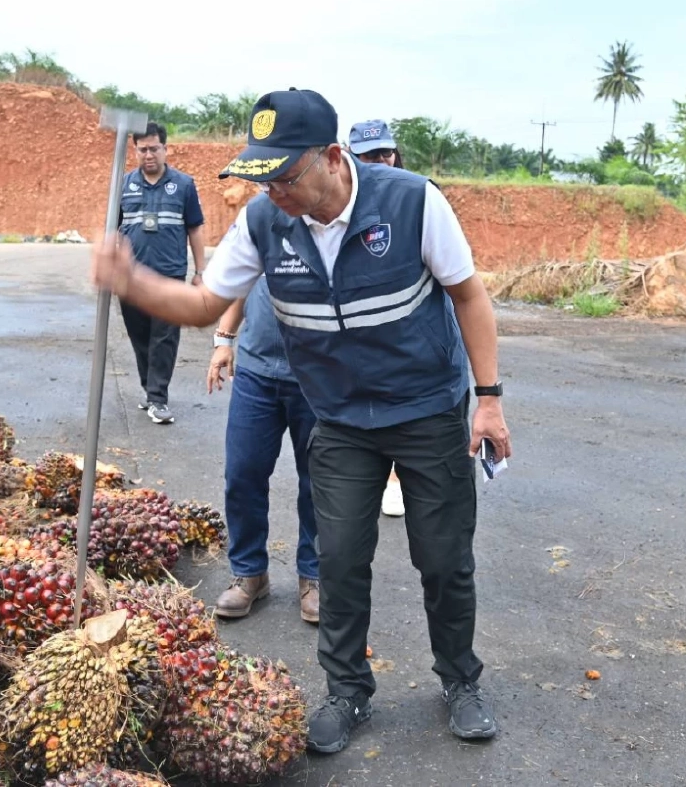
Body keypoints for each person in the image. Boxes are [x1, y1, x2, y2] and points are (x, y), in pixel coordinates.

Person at [91, 88, 512, 755]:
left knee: (443, 558)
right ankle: (347, 691)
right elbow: (204, 304)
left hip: (426, 409)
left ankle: (460, 681)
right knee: (339, 559)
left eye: (285, 177)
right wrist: (131, 281)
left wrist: (487, 400)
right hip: (339, 418)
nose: (275, 193)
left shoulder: (411, 202)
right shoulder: (265, 221)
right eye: (264, 179)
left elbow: (468, 296)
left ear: (333, 158)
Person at [206, 273, 320, 624]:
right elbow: (245, 278)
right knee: (242, 473)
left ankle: (315, 575)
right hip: (256, 371)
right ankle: (249, 572)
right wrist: (224, 339)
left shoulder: (334, 236)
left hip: (320, 373)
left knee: (319, 481)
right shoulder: (261, 235)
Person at [116, 122, 205, 424]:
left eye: (154, 148)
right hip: (132, 278)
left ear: (166, 149)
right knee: (139, 337)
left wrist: (200, 271)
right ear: (135, 151)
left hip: (169, 276)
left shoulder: (184, 185)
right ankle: (150, 389)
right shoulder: (123, 185)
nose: (149, 155)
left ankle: (158, 398)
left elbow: (195, 229)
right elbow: (113, 229)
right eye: (143, 149)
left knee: (164, 339)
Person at [347, 119, 407, 517]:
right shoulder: (339, 206)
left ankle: (397, 480)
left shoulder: (417, 197)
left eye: (386, 152)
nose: (381, 160)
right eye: (369, 155)